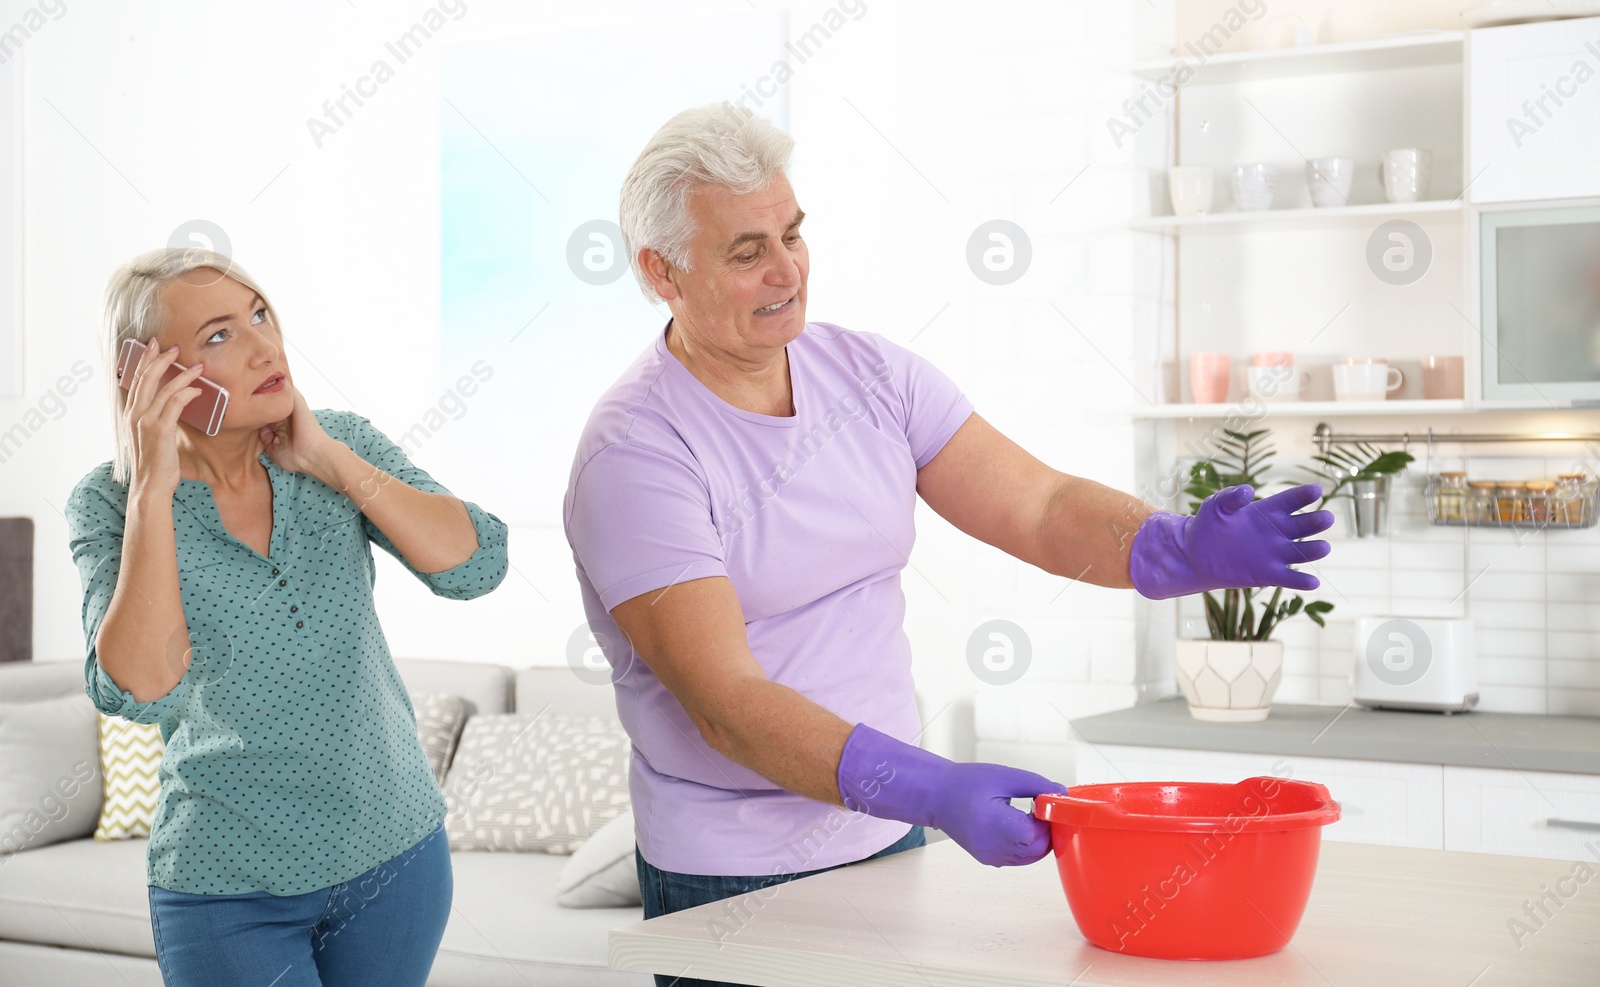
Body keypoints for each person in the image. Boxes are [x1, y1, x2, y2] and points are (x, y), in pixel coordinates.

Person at [564, 103, 1333, 987]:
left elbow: (1040, 507)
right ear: (663, 271)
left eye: (793, 234)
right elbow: (727, 703)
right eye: (747, 251)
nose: (787, 269)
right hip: (734, 869)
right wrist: (930, 785)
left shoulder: (871, 375)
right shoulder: (638, 452)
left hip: (886, 834)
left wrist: (1174, 547)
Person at [66, 249, 509, 986]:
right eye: (218, 335)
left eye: (260, 315)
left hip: (397, 857)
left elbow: (475, 565)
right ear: (143, 372)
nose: (264, 346)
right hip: (227, 885)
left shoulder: (339, 444)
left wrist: (333, 462)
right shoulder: (108, 502)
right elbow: (142, 689)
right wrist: (152, 488)